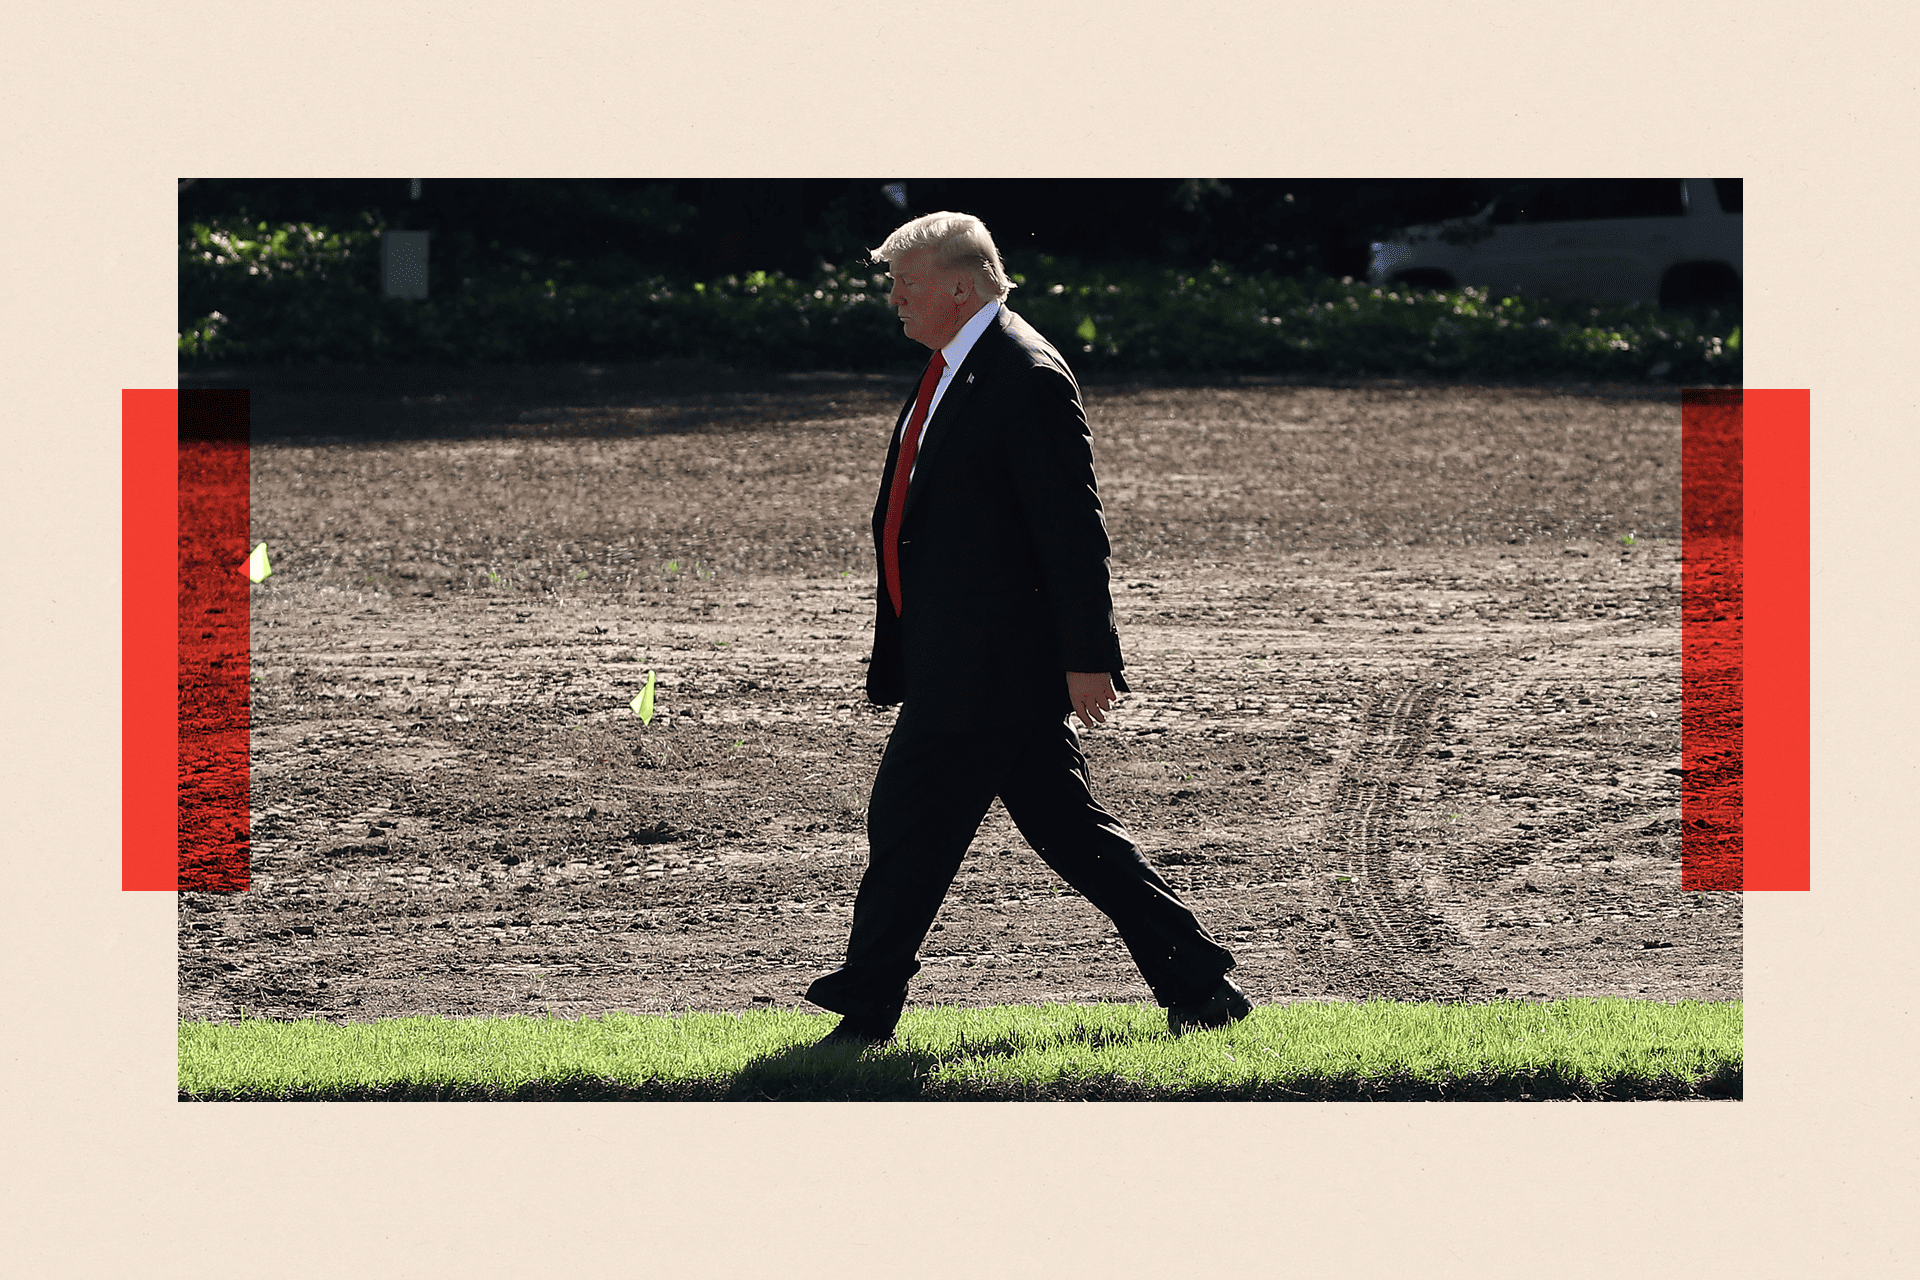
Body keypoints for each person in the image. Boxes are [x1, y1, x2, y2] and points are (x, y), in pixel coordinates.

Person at [804, 211, 1250, 1046]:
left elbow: (1071, 531)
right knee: (1068, 833)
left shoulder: (1024, 372)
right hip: (962, 660)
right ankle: (1198, 982)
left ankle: (865, 1009)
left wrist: (1088, 659)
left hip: (989, 666)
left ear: (962, 287)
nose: (894, 299)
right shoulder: (953, 366)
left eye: (908, 284)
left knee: (909, 828)